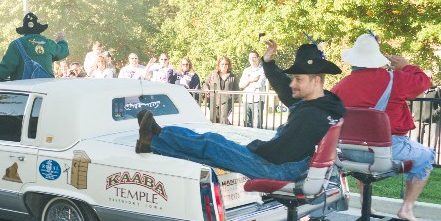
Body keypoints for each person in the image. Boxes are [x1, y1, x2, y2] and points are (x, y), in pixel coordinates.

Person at [136, 41, 345, 181]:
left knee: (212, 143)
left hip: (279, 168)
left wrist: (252, 146)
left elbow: (278, 151)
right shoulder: (324, 102)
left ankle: (160, 134)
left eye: (298, 79)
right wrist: (269, 62)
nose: (292, 84)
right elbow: (283, 85)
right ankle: (153, 141)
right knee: (211, 156)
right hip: (293, 165)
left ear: (316, 80)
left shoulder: (310, 114)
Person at [333, 33, 434, 221]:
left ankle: (366, 203)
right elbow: (423, 83)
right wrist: (406, 66)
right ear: (376, 58)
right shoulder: (394, 79)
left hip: (349, 151)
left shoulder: (340, 86)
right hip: (386, 150)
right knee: (428, 155)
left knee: (363, 150)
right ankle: (406, 208)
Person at [0, 12, 69, 81]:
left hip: (24, 93)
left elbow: (4, 71)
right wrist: (62, 41)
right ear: (39, 28)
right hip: (46, 91)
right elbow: (64, 52)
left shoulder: (16, 45)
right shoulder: (49, 44)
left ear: (24, 29)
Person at [204, 56, 238, 124]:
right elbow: (205, 83)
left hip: (226, 102)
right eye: (222, 64)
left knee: (223, 119)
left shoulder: (232, 76)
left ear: (228, 65)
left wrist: (230, 97)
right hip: (214, 101)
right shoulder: (213, 74)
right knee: (214, 120)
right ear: (219, 65)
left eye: (226, 64)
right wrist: (206, 88)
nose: (224, 66)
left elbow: (236, 89)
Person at [240, 50, 267, 128]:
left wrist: (247, 83)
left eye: (254, 57)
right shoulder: (246, 70)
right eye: (250, 58)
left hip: (257, 100)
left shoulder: (263, 70)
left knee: (257, 124)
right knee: (246, 124)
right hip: (246, 99)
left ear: (258, 58)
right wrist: (251, 80)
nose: (252, 60)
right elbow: (241, 85)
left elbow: (259, 84)